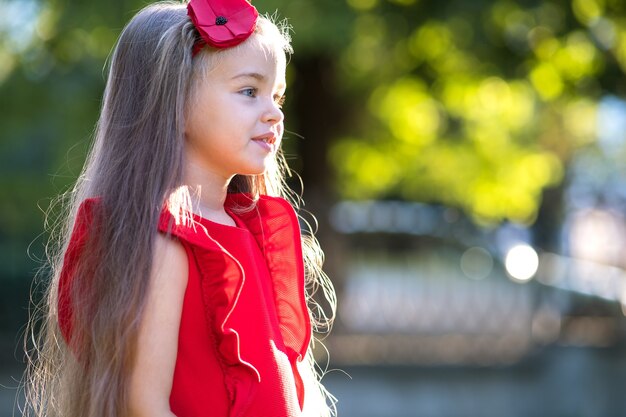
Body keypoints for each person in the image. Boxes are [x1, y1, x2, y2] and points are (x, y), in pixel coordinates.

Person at [24, 0, 336, 416]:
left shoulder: (247, 228)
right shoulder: (167, 239)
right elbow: (146, 404)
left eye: (277, 96)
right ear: (176, 102)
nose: (275, 113)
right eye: (249, 91)